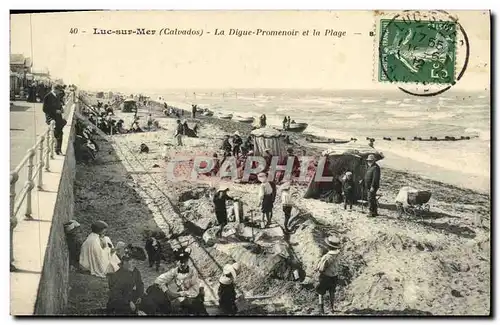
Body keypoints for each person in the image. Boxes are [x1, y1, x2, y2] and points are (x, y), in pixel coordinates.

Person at [154, 247, 207, 315]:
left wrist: (180, 295)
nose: (182, 264)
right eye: (180, 262)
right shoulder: (174, 271)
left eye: (184, 261)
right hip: (177, 298)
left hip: (191, 299)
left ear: (188, 261)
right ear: (177, 262)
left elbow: (194, 292)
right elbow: (158, 280)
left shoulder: (193, 273)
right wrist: (166, 290)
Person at [106, 251, 145, 315]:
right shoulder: (118, 275)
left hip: (129, 295)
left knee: (148, 302)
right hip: (118, 299)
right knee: (128, 310)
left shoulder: (135, 271)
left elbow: (140, 284)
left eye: (136, 263)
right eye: (132, 262)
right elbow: (115, 293)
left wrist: (140, 296)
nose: (134, 265)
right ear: (125, 262)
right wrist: (129, 302)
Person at [315, 235, 342, 314]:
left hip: (326, 277)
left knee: (321, 292)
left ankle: (321, 309)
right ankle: (332, 308)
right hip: (334, 276)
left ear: (328, 246)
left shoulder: (327, 257)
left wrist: (317, 269)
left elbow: (321, 268)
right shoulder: (338, 254)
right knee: (332, 292)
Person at [42, 84, 66, 155]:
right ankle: (57, 149)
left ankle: (58, 150)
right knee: (57, 133)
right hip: (51, 117)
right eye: (59, 91)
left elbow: (59, 104)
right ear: (54, 89)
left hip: (58, 117)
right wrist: (55, 111)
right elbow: (44, 109)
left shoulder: (57, 96)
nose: (60, 92)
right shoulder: (47, 97)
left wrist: (61, 108)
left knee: (60, 132)